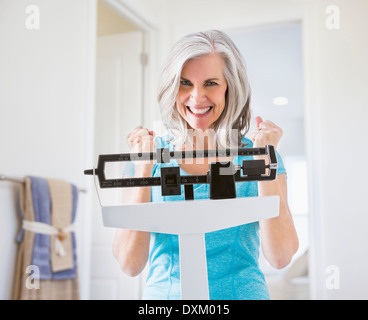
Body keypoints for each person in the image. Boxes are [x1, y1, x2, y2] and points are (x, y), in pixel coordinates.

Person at [112, 29, 299, 300]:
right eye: (185, 83)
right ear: (171, 87)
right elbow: (130, 264)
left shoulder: (258, 156)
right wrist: (143, 168)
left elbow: (280, 256)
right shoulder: (148, 157)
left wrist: (264, 162)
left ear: (229, 88)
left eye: (211, 83)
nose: (197, 97)